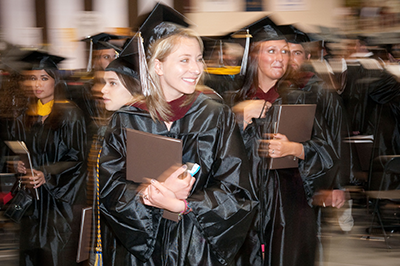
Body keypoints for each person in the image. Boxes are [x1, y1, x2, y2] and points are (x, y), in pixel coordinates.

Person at [98, 4, 257, 265]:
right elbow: (110, 190)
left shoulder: (215, 115)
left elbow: (238, 191)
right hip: (144, 252)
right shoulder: (127, 118)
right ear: (157, 66)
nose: (196, 69)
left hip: (199, 247)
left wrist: (182, 205)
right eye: (184, 60)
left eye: (198, 58)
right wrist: (149, 195)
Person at [232, 17, 347, 266]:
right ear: (253, 56)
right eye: (271, 50)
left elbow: (327, 149)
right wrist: (238, 118)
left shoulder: (300, 98)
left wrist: (295, 149)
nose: (280, 58)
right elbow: (214, 152)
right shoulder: (232, 99)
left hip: (289, 204)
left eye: (284, 51)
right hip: (245, 202)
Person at [14, 50, 87, 266]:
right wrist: (18, 163)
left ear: (56, 81)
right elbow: (22, 150)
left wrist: (47, 174)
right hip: (33, 205)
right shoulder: (25, 116)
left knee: (57, 256)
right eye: (33, 77)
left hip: (58, 205)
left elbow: (78, 159)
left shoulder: (70, 115)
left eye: (44, 78)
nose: (37, 84)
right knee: (31, 255)